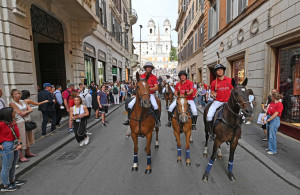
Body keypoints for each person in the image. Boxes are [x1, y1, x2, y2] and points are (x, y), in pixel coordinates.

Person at [123, 62, 160, 126]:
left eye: (150, 67)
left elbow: (156, 87)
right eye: (147, 67)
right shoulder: (141, 76)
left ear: (151, 69)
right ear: (145, 68)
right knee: (130, 105)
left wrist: (147, 90)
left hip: (150, 94)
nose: (148, 68)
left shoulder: (154, 77)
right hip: (140, 95)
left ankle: (157, 120)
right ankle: (129, 119)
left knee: (155, 106)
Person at [0, 107, 25, 192]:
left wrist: (19, 142)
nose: (15, 114)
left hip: (14, 143)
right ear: (8, 114)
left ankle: (12, 180)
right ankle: (5, 185)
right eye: (13, 112)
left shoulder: (12, 122)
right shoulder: (1, 124)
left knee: (13, 164)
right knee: (6, 166)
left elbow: (17, 133)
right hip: (6, 145)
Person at [9, 89, 36, 162]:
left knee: (28, 137)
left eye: (19, 93)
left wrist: (26, 112)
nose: (18, 95)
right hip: (19, 122)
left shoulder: (23, 101)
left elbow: (30, 109)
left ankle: (28, 153)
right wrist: (28, 111)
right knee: (21, 138)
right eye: (16, 94)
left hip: (27, 120)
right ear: (12, 95)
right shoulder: (12, 103)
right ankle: (21, 156)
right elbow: (20, 113)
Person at [206, 64, 233, 134]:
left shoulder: (230, 80)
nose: (220, 71)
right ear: (216, 72)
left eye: (221, 69)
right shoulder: (214, 82)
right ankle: (211, 131)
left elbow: (234, 91)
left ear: (223, 71)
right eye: (218, 70)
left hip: (228, 102)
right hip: (218, 101)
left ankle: (237, 132)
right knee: (209, 116)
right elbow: (211, 93)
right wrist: (212, 95)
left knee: (240, 116)